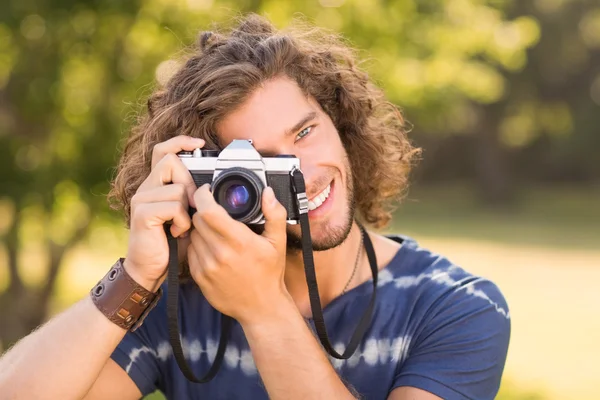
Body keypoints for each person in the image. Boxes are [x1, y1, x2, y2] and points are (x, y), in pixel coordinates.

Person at [0, 14, 510, 400]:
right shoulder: (177, 305)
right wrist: (136, 276)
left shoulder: (456, 307)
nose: (298, 171)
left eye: (305, 132)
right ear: (204, 184)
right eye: (259, 162)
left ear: (343, 128)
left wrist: (263, 310)